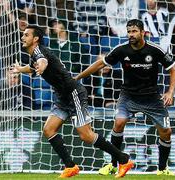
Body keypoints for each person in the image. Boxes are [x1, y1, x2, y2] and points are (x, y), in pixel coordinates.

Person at [11, 25, 134, 178]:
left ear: (35, 39)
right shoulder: (35, 53)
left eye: (26, 35)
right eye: (23, 35)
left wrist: (41, 68)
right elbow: (32, 67)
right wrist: (19, 69)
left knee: (86, 136)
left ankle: (124, 160)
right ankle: (70, 166)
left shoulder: (39, 52)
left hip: (73, 93)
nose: (23, 37)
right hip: (63, 97)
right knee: (48, 130)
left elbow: (42, 62)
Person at [75, 19, 175, 176]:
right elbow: (100, 64)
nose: (131, 34)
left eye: (134, 31)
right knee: (119, 122)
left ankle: (162, 169)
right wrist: (77, 78)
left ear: (143, 32)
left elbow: (173, 70)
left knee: (166, 132)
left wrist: (170, 92)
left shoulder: (155, 50)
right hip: (128, 95)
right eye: (129, 31)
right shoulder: (121, 50)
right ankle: (113, 165)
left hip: (152, 97)